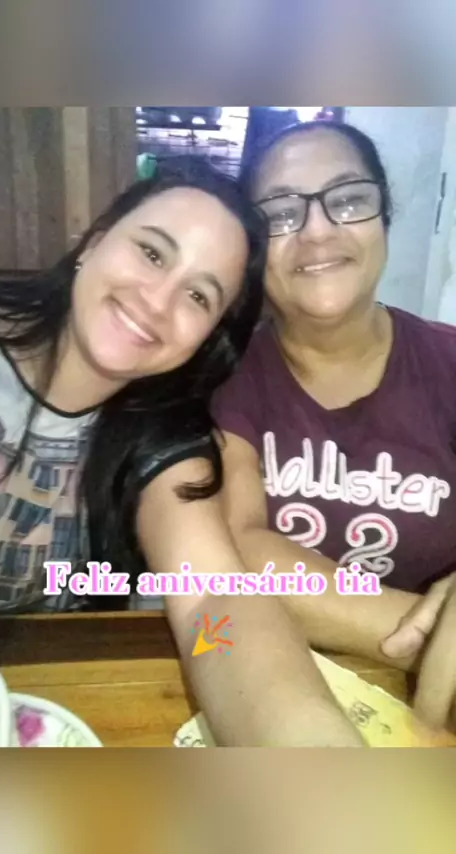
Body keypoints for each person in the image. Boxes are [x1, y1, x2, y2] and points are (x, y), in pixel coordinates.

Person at [0, 155, 364, 746]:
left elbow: (213, 603)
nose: (157, 302)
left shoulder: (167, 435)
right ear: (94, 243)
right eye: (152, 253)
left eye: (199, 296)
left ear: (207, 339)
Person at [212, 121, 456, 733]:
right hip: (258, 680)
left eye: (348, 200)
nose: (318, 230)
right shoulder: (224, 375)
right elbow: (239, 548)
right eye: (281, 212)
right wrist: (430, 636)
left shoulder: (449, 363)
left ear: (384, 217)